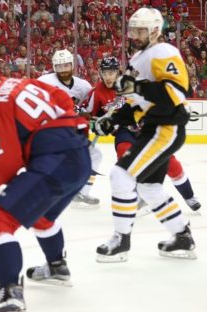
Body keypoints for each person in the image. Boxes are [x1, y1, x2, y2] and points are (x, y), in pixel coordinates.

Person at [0, 54, 91, 312]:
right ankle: (57, 266)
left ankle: (11, 296)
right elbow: (61, 98)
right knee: (41, 215)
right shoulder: (20, 82)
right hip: (80, 156)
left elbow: (7, 161)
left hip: (54, 162)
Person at [93, 8, 197, 262]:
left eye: (141, 30)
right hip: (153, 127)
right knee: (149, 187)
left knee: (120, 174)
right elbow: (135, 102)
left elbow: (175, 94)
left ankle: (121, 240)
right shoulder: (139, 57)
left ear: (154, 30)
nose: (135, 35)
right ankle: (182, 236)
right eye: (133, 30)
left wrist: (138, 86)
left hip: (165, 129)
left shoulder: (164, 52)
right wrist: (113, 121)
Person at [84, 56, 202, 212]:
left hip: (146, 129)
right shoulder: (97, 92)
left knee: (169, 162)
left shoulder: (134, 84)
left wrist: (175, 112)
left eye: (111, 72)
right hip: (123, 131)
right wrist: (99, 123)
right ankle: (136, 196)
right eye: (105, 73)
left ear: (118, 72)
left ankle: (189, 196)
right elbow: (90, 116)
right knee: (124, 154)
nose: (108, 76)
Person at [38, 49, 101, 208]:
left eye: (66, 65)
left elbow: (88, 109)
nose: (63, 70)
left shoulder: (83, 86)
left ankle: (81, 193)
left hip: (72, 131)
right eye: (59, 67)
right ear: (54, 67)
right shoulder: (44, 81)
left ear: (73, 66)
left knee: (95, 155)